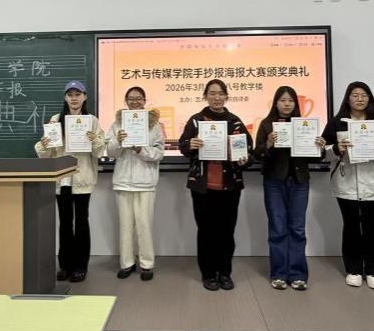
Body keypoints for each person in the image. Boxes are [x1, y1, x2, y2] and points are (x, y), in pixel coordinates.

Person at [321, 81, 374, 290]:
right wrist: (336, 149)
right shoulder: (337, 122)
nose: (359, 99)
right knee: (351, 227)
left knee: (371, 227)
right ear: (348, 98)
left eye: (364, 95)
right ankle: (354, 270)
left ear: (370, 98)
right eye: (355, 95)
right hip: (345, 182)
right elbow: (322, 151)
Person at [178, 79, 252, 291]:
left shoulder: (235, 122)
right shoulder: (196, 121)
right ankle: (209, 274)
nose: (217, 97)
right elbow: (183, 146)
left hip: (230, 186)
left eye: (221, 93)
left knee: (227, 231)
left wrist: (245, 158)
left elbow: (248, 151)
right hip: (203, 187)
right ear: (205, 96)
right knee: (206, 232)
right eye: (212, 93)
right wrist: (190, 145)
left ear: (226, 96)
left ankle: (225, 273)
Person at [254, 86, 326, 291]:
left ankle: (298, 275)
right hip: (274, 182)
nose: (287, 104)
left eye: (291, 100)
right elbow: (257, 154)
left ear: (296, 103)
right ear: (275, 102)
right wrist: (268, 143)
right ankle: (278, 274)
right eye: (282, 100)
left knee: (297, 229)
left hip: (299, 181)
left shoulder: (305, 125)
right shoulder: (267, 124)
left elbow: (316, 157)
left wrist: (320, 147)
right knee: (277, 228)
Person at [35, 80, 105, 283]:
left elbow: (100, 152)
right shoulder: (56, 120)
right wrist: (44, 144)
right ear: (65, 98)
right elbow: (47, 153)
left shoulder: (92, 121)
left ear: (85, 97)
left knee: (81, 222)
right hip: (62, 179)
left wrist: (94, 140)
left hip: (83, 178)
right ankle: (65, 265)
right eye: (70, 95)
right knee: (65, 223)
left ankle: (81, 267)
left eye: (78, 94)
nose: (74, 98)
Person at [106, 86, 165, 281]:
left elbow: (159, 153)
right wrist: (118, 141)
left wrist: (141, 149)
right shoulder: (117, 124)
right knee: (125, 226)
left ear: (145, 101)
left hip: (145, 182)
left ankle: (147, 264)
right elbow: (110, 152)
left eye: (139, 98)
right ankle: (127, 263)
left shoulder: (155, 125)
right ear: (126, 101)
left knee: (144, 225)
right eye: (131, 98)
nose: (135, 102)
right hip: (122, 181)